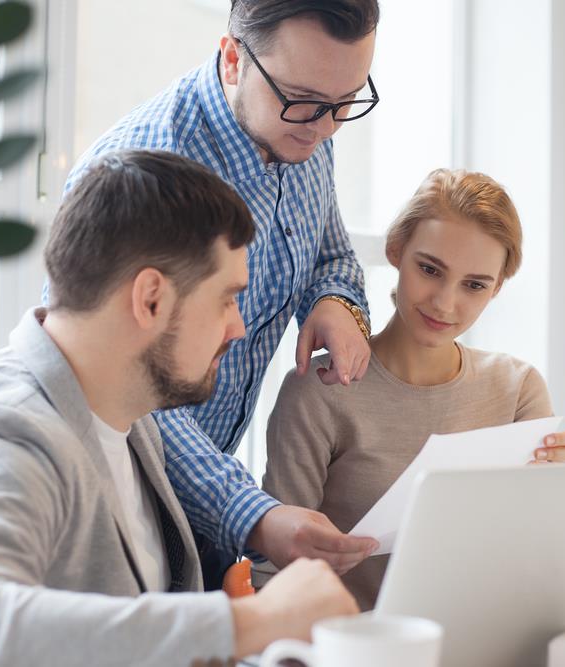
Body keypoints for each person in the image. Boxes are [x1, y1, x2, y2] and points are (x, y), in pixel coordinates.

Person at [0, 151, 358, 667]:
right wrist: (247, 624)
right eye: (227, 299)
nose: (237, 328)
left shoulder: (130, 418)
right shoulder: (1, 429)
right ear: (151, 299)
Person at [55, 0, 383, 587]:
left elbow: (330, 254)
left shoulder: (306, 122)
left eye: (346, 103)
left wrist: (337, 302)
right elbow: (135, 392)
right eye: (306, 101)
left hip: (215, 510)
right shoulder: (146, 173)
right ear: (233, 59)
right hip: (120, 512)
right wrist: (253, 514)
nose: (326, 126)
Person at [261, 169, 565, 610]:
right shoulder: (321, 391)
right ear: (395, 250)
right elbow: (273, 570)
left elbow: (545, 559)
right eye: (430, 269)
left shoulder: (518, 388)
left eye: (474, 285)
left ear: (497, 288)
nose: (445, 303)